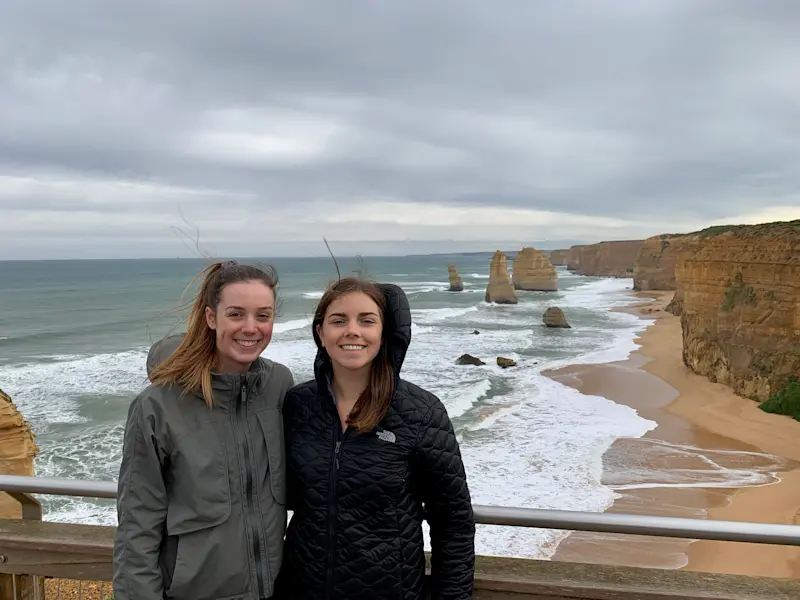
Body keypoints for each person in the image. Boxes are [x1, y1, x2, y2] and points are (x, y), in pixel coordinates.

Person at [277, 277, 475, 600]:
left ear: (384, 334)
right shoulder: (297, 406)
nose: (352, 331)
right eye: (338, 320)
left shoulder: (421, 412)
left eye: (367, 321)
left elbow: (453, 524)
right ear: (321, 333)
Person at [113, 260, 294, 600]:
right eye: (236, 314)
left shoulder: (278, 386)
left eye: (263, 315)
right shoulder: (158, 404)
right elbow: (137, 524)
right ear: (211, 318)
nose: (251, 328)